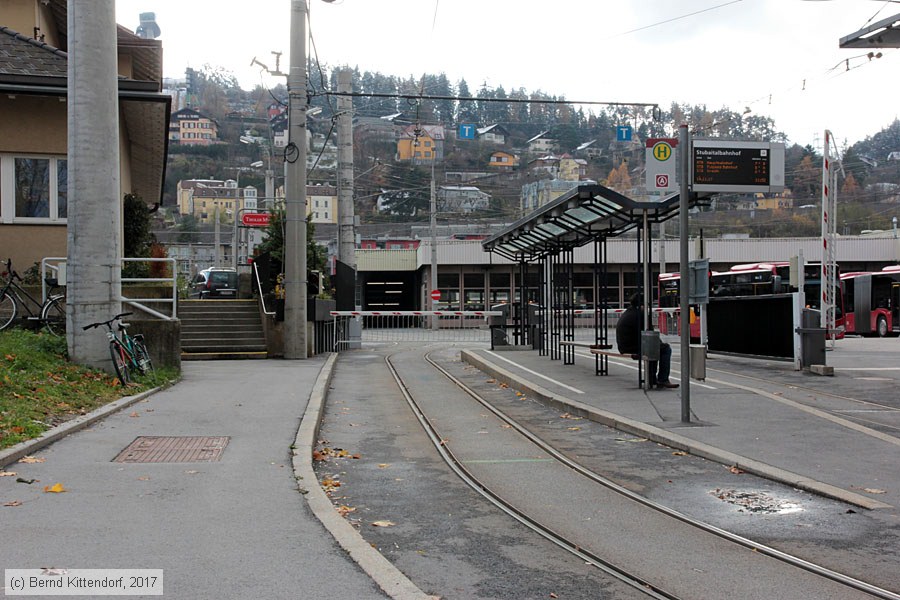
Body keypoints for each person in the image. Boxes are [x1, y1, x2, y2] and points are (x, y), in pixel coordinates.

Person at [615, 293, 678, 389]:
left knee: (656, 348)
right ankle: (662, 379)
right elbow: (649, 334)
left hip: (625, 346)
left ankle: (653, 378)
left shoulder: (629, 312)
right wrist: (659, 344)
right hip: (632, 347)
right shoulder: (640, 315)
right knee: (665, 349)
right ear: (642, 304)